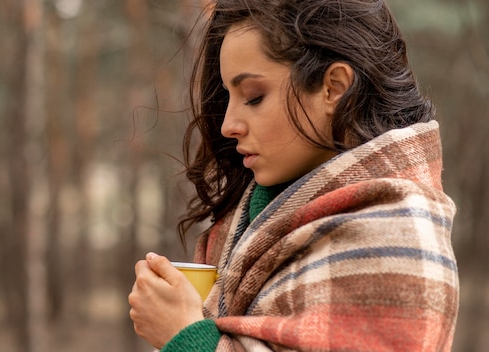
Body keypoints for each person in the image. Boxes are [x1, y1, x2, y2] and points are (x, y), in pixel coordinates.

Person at [128, 0, 459, 351]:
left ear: (334, 88)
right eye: (228, 97)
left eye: (253, 97)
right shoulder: (257, 215)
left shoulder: (399, 236)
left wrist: (185, 337)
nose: (228, 125)